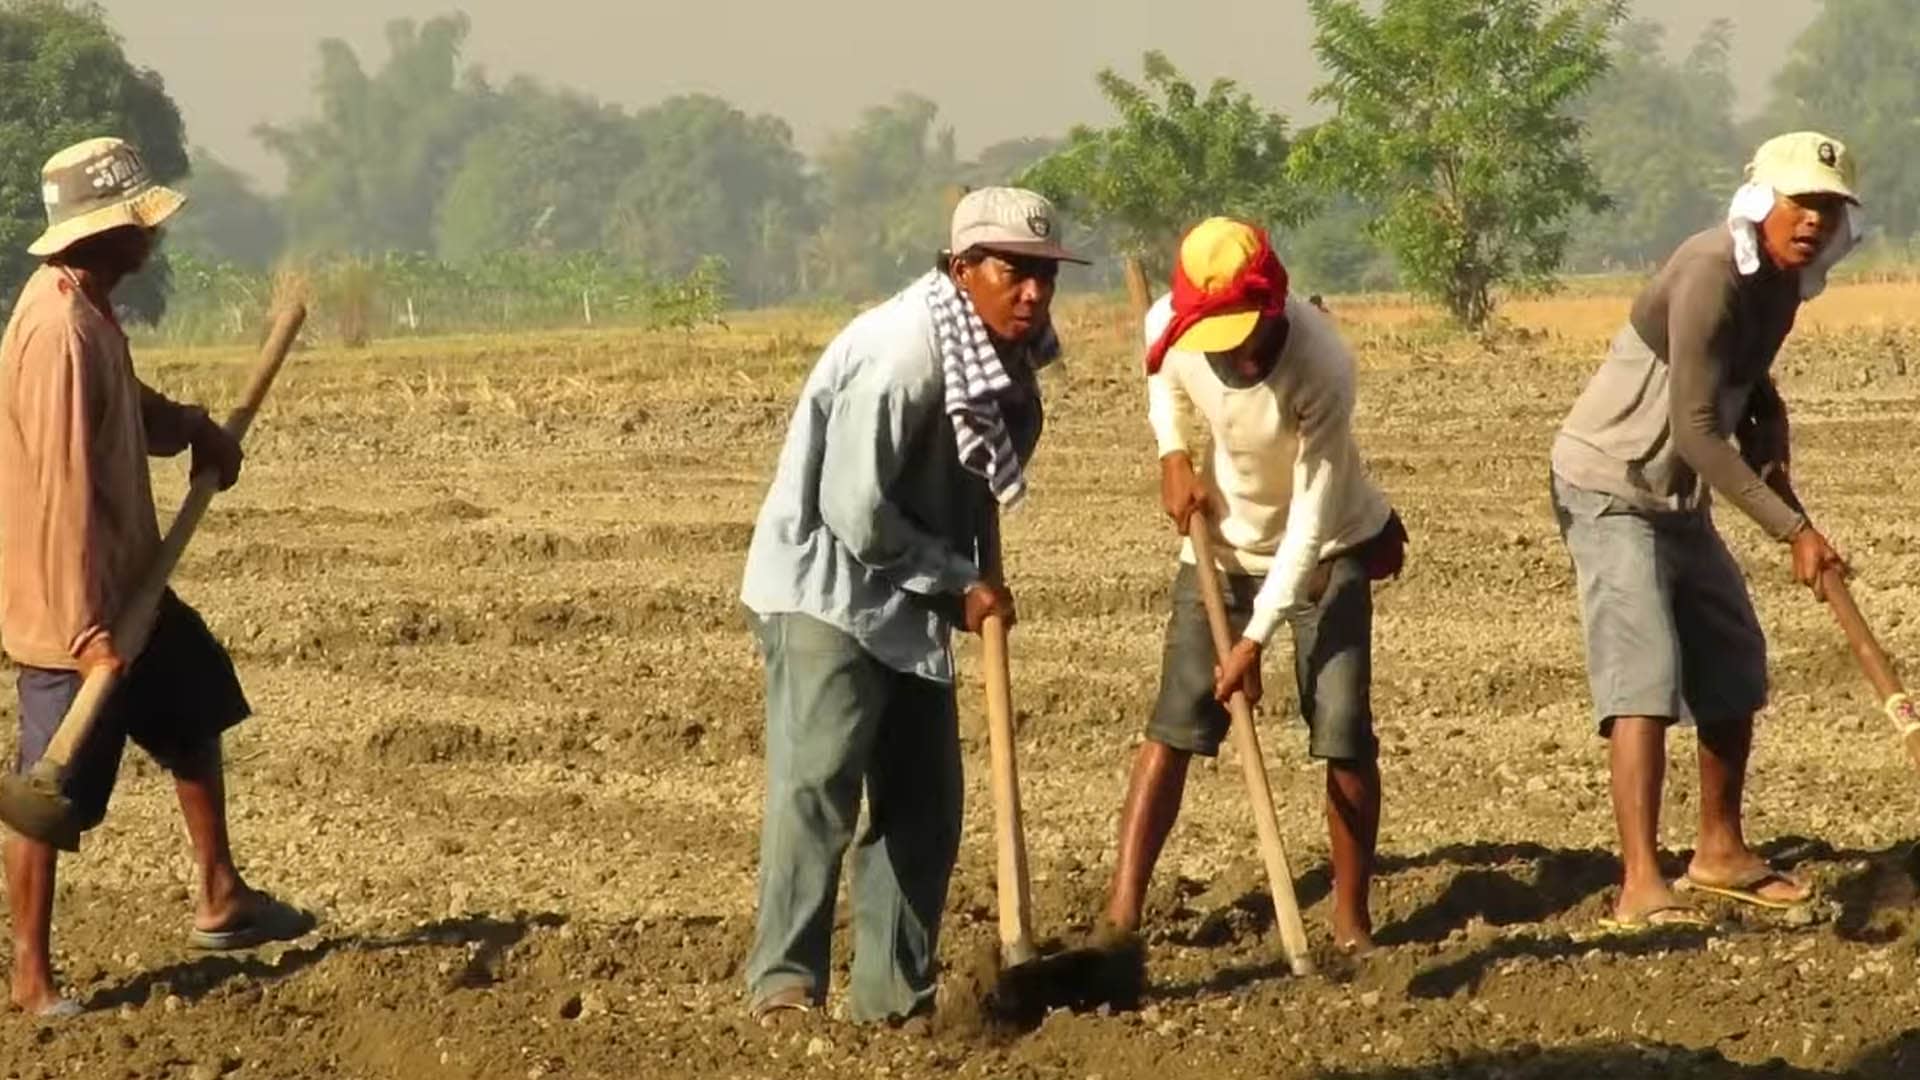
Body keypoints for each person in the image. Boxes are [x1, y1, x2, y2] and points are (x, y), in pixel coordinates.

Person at [738, 187, 1085, 1026]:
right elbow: (853, 511)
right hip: (828, 587)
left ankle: (893, 999)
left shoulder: (1010, 353)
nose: (1034, 293)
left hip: (913, 592)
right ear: (963, 269)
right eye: (1015, 272)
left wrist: (960, 573)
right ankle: (784, 987)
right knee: (819, 787)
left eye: (1045, 274)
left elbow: (981, 469)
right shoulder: (903, 356)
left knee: (926, 802)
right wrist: (958, 584)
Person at [0, 137, 313, 1018]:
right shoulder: (55, 332)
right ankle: (30, 977)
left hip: (132, 583)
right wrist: (89, 628)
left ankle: (221, 894)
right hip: (77, 610)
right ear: (106, 232)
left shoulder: (89, 308)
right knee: (46, 792)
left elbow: (126, 410)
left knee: (196, 707)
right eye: (141, 223)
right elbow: (60, 491)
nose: (154, 236)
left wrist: (194, 430)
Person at [1549, 132, 1861, 929]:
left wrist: (1773, 432)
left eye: (1829, 209)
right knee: (1644, 676)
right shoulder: (1710, 273)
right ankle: (1640, 883)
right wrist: (1790, 528)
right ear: (1762, 201)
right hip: (1611, 483)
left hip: (1680, 499)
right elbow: (1693, 428)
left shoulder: (1782, 285)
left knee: (1732, 656)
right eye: (1803, 204)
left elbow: (1744, 380)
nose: (1815, 223)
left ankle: (1719, 851)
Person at [1101, 217, 1407, 954]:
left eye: (1243, 330)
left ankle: (1349, 923)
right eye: (1216, 333)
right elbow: (1162, 375)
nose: (1232, 350)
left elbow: (1310, 518)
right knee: (1172, 728)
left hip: (1327, 549)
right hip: (1221, 547)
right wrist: (1173, 454)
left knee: (1340, 730)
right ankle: (1119, 920)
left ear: (1273, 303)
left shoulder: (1322, 363)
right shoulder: (1175, 328)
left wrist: (1253, 639)